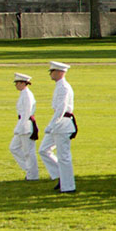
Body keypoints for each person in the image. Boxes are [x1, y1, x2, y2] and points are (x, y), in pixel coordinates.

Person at [39, 61, 76, 193]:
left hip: (62, 124)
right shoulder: (59, 86)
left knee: (64, 156)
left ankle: (68, 186)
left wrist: (52, 124)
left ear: (60, 72)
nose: (51, 74)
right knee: (44, 150)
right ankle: (61, 176)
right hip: (58, 123)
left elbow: (61, 108)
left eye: (52, 71)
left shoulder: (63, 87)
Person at [10, 72, 39, 181]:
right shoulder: (23, 94)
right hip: (22, 124)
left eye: (17, 83)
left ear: (23, 83)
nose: (16, 85)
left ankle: (33, 175)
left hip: (26, 125)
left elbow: (27, 113)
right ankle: (29, 169)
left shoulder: (27, 95)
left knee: (29, 151)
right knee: (14, 148)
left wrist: (20, 127)